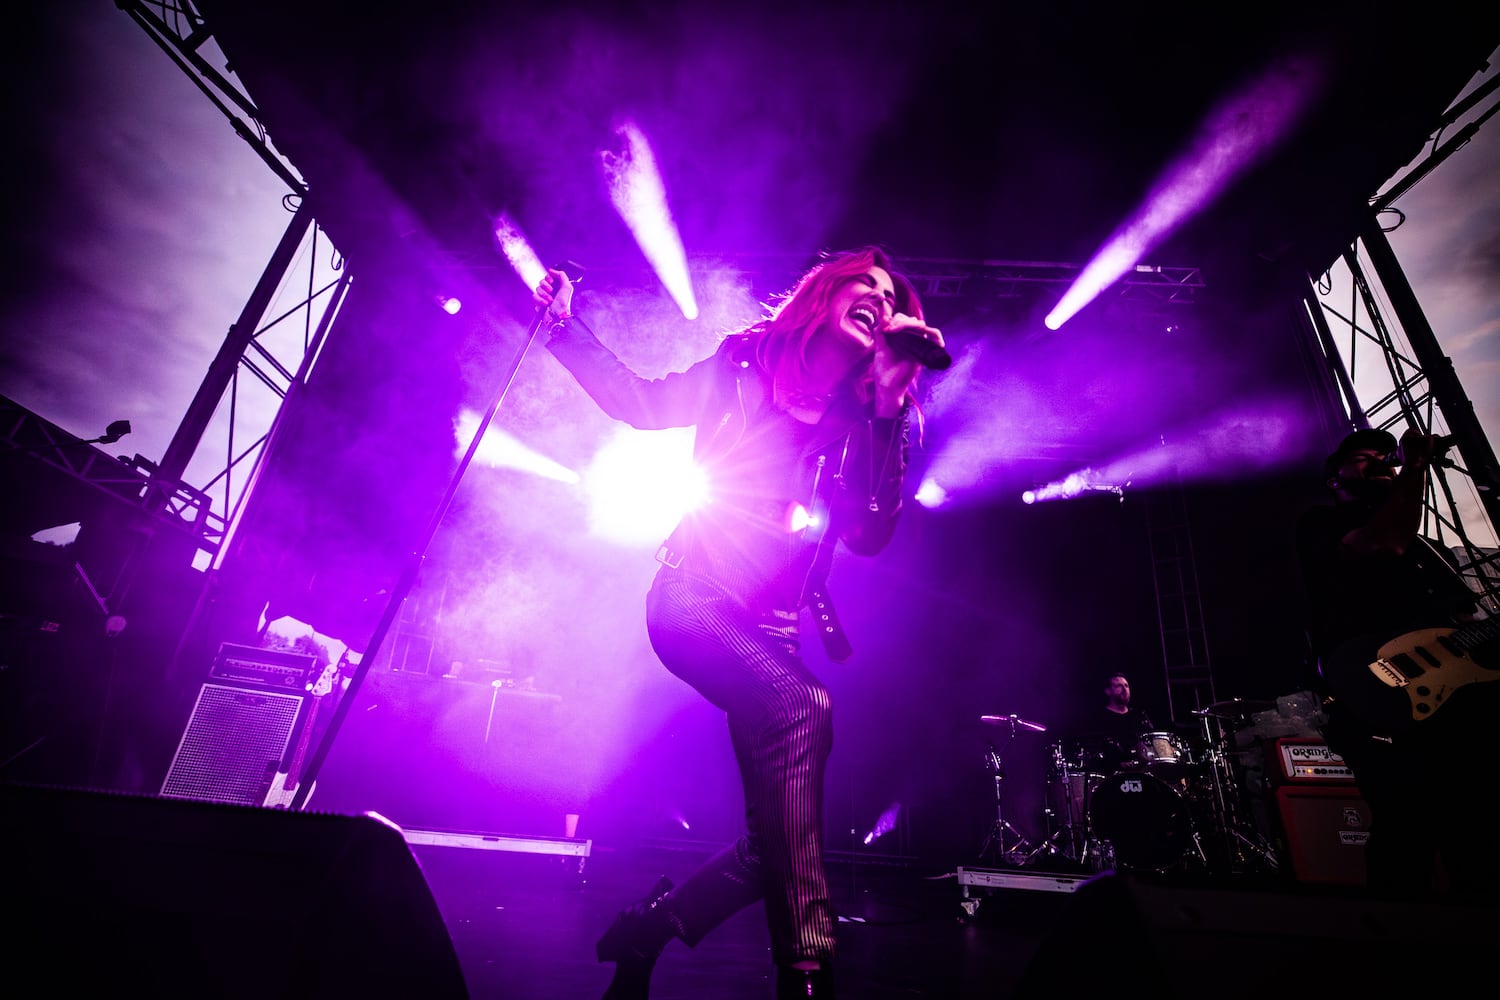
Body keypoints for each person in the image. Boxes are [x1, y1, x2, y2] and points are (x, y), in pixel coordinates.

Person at [533, 246, 940, 999]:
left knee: (774, 844)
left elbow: (869, 534)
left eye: (893, 301)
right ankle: (808, 974)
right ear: (829, 291)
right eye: (868, 287)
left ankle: (647, 931)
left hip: (776, 628)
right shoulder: (745, 362)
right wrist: (564, 328)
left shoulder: (870, 419)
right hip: (693, 594)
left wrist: (886, 411)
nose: (881, 304)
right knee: (801, 704)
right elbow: (639, 401)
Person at [1295, 426, 1499, 900]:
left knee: (1476, 829)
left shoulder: (1425, 546)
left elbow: (1466, 618)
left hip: (1456, 695)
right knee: (1408, 824)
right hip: (1376, 691)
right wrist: (1415, 466)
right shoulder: (1321, 523)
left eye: (1386, 457)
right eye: (1365, 456)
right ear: (1334, 477)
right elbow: (1378, 546)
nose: (1381, 461)